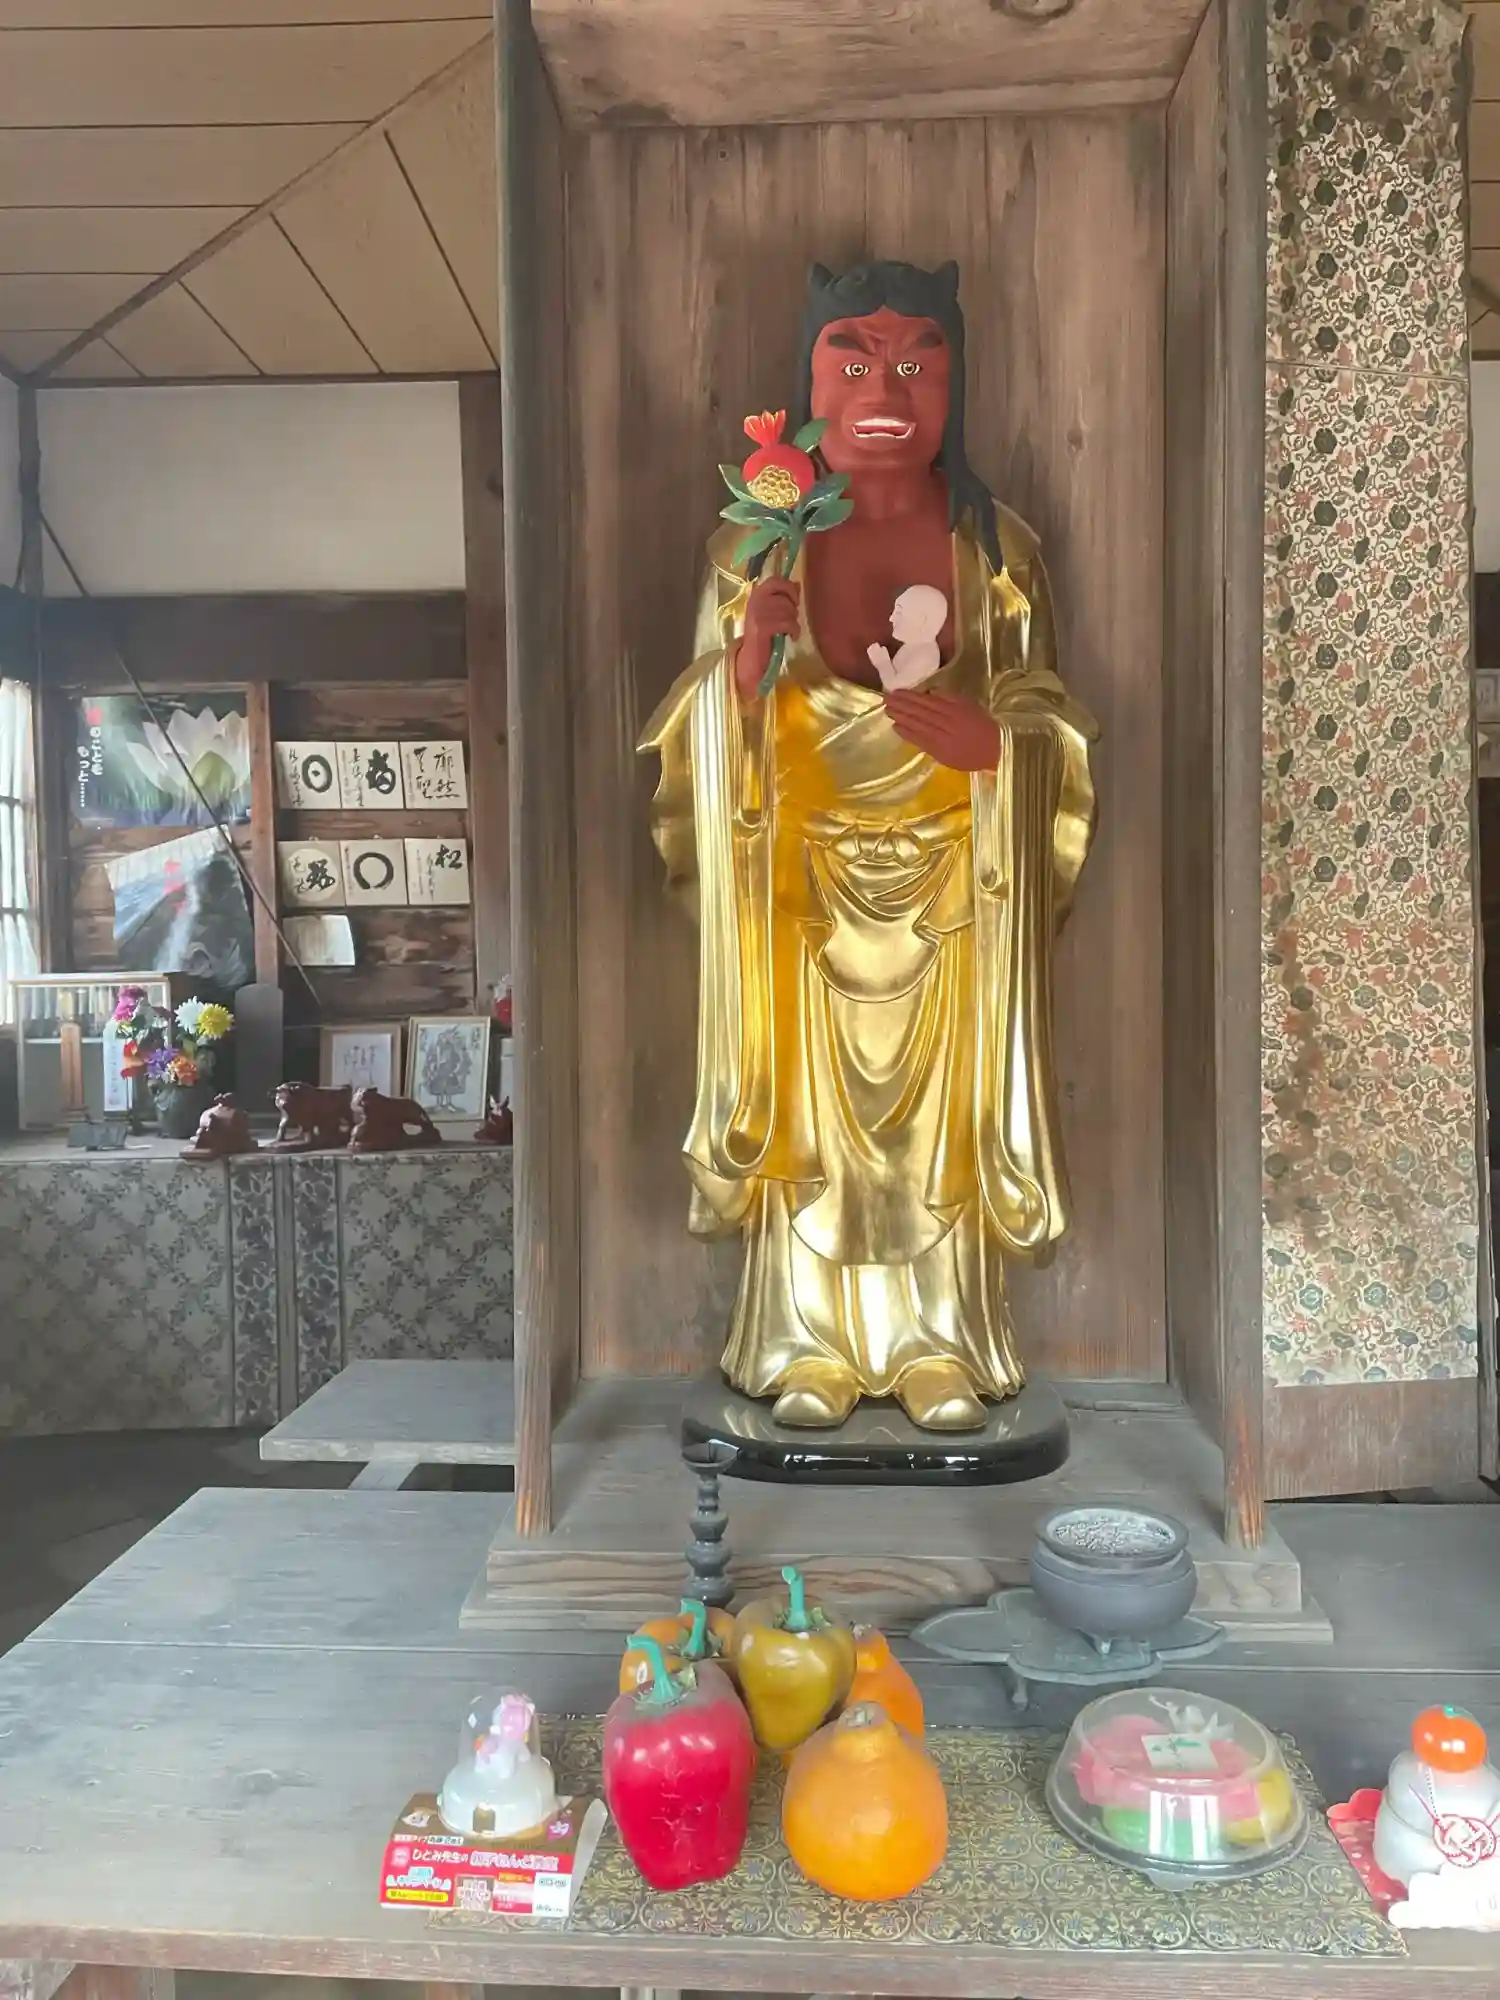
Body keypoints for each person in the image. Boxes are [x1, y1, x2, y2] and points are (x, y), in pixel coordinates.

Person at [639, 260, 1097, 1432]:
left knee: (945, 1123)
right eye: (852, 361)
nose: (884, 390)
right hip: (800, 890)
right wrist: (743, 670)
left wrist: (998, 747)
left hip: (955, 885)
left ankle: (941, 1343)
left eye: (915, 363)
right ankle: (807, 1342)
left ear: (955, 382)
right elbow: (701, 726)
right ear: (809, 386)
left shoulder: (1000, 550)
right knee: (807, 1124)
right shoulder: (753, 549)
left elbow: (1045, 710)